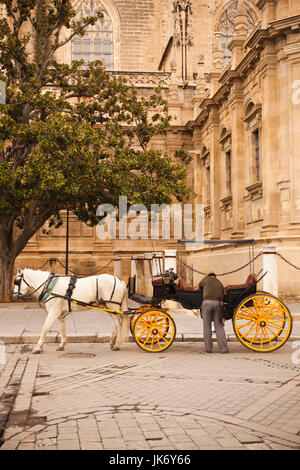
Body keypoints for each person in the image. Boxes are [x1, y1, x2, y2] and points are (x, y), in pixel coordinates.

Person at [199, 272, 228, 354]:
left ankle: (208, 348)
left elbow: (200, 285)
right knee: (219, 326)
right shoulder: (218, 281)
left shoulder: (206, 279)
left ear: (209, 276)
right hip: (217, 303)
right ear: (215, 276)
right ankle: (223, 348)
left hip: (207, 303)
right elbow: (223, 291)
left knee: (207, 326)